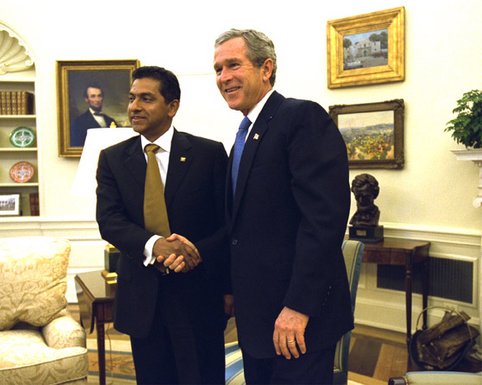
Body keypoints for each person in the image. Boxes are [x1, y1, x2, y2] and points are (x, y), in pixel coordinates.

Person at [213, 29, 352, 384]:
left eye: (233, 65)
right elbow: (241, 228)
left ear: (266, 68)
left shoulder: (300, 118)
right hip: (257, 318)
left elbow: (323, 221)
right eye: (218, 69)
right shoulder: (244, 135)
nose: (224, 77)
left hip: (296, 319)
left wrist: (298, 308)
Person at [96, 66, 229, 384]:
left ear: (172, 106)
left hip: (199, 295)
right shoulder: (113, 159)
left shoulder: (208, 154)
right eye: (131, 98)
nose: (134, 107)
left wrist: (193, 252)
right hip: (144, 300)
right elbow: (110, 221)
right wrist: (154, 245)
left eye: (146, 98)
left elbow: (228, 223)